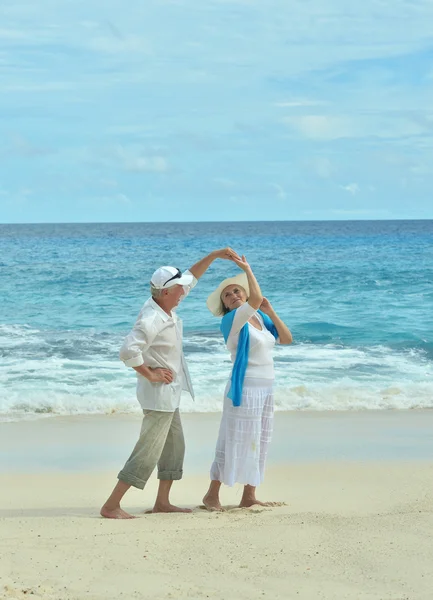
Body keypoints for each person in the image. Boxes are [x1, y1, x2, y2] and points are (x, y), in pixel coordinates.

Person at [100, 248, 241, 519]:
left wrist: (214, 255)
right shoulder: (152, 317)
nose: (184, 293)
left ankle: (162, 502)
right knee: (147, 452)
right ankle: (111, 505)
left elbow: (191, 276)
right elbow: (128, 350)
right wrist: (149, 373)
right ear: (166, 292)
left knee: (175, 448)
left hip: (170, 395)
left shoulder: (163, 302)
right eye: (179, 290)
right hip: (158, 396)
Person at [202, 255, 292, 511]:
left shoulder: (260, 320)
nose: (233, 295)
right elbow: (253, 300)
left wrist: (270, 311)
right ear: (226, 306)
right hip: (245, 387)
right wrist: (246, 268)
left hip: (266, 387)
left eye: (236, 290)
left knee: (259, 440)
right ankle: (211, 495)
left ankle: (249, 496)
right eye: (227, 295)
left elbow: (285, 339)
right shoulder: (232, 321)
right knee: (233, 439)